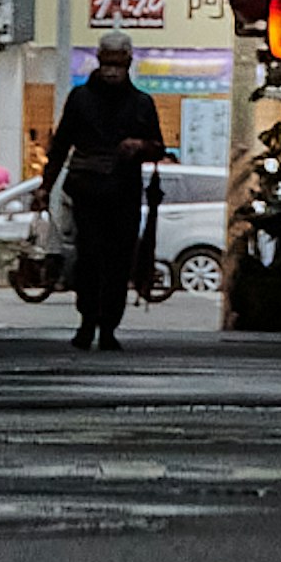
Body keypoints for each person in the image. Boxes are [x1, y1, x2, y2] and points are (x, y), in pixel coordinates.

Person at [37, 34, 165, 349]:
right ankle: (87, 322)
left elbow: (158, 147)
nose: (111, 71)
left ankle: (108, 327)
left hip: (124, 192)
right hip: (88, 191)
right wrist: (45, 186)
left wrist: (140, 146)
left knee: (119, 261)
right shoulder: (80, 99)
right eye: (107, 62)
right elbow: (61, 144)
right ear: (98, 59)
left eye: (117, 64)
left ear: (129, 63)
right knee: (90, 258)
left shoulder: (141, 103)